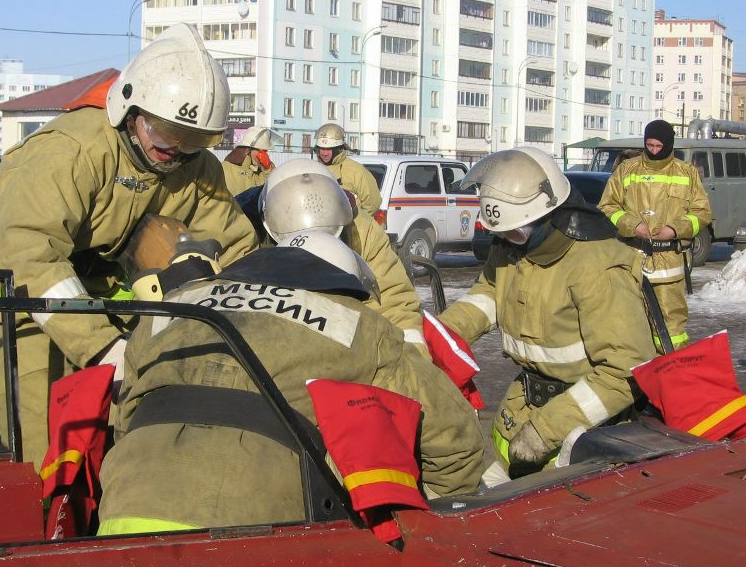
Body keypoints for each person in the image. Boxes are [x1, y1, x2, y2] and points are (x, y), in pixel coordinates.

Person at [0, 23, 259, 470]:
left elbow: (233, 246)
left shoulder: (192, 167)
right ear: (129, 108)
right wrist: (104, 349)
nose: (174, 151)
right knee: (48, 424)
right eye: (164, 133)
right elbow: (28, 252)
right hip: (19, 288)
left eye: (195, 140)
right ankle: (47, 516)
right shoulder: (72, 150)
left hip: (93, 281)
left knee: (128, 412)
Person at [97, 231, 484, 534]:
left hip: (125, 510)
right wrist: (431, 520)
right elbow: (455, 442)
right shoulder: (361, 325)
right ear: (341, 282)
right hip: (260, 531)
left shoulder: (174, 305)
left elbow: (127, 415)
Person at [438, 147, 656, 480]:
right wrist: (439, 335)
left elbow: (626, 370)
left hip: (580, 435)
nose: (508, 241)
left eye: (515, 231)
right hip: (520, 412)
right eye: (500, 233)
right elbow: (487, 295)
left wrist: (546, 431)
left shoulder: (596, 266)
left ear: (549, 214)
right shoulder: (513, 247)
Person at [256, 158, 427, 354]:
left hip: (356, 340)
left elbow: (393, 302)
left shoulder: (362, 231)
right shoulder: (254, 235)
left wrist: (413, 357)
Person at [598, 119, 712, 351]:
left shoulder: (686, 173)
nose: (654, 151)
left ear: (669, 144)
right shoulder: (626, 170)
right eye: (649, 145)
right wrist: (632, 224)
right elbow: (607, 207)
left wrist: (674, 230)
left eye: (659, 146)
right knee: (629, 325)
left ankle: (670, 374)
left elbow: (701, 213)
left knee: (672, 328)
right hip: (631, 261)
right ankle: (636, 378)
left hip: (669, 263)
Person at [313, 123, 381, 217]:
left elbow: (373, 202)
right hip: (324, 227)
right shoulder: (314, 169)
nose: (324, 153)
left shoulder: (356, 171)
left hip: (352, 229)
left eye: (329, 149)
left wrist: (356, 220)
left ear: (338, 148)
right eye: (322, 149)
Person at [221, 126, 280, 196]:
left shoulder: (247, 168)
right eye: (263, 151)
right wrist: (268, 169)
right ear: (248, 150)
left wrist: (267, 169)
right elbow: (259, 190)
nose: (265, 155)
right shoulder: (240, 173)